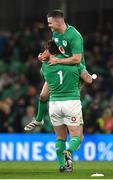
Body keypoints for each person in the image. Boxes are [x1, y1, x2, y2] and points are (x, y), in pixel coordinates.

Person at [25, 40, 93, 172]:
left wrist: (43, 58)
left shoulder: (45, 67)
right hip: (71, 103)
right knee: (77, 137)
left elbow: (48, 83)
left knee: (60, 138)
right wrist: (83, 73)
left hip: (54, 105)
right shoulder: (75, 63)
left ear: (49, 51)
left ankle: (62, 165)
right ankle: (69, 151)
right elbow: (89, 80)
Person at [24, 9, 87, 131]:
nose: (48, 26)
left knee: (70, 100)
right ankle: (38, 119)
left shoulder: (74, 36)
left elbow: (77, 59)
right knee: (43, 96)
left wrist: (58, 61)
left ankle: (75, 134)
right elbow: (55, 49)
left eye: (50, 23)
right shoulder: (56, 34)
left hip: (74, 71)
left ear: (58, 22)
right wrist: (44, 54)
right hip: (60, 67)